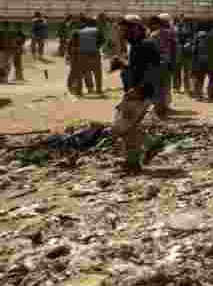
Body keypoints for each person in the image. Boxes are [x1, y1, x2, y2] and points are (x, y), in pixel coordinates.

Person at [109, 15, 162, 173]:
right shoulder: (137, 45)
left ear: (138, 28)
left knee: (121, 126)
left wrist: (139, 88)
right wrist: (123, 65)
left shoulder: (146, 45)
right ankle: (132, 162)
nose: (125, 32)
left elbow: (154, 70)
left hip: (140, 93)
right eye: (124, 29)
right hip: (135, 92)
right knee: (129, 127)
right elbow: (139, 68)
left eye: (129, 28)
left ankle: (151, 143)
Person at [191, 22, 213, 101]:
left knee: (199, 79)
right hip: (212, 61)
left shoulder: (198, 36)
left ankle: (199, 96)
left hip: (200, 61)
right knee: (212, 79)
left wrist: (194, 61)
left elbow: (194, 50)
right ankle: (211, 96)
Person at [71, 17, 103, 95]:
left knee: (81, 72)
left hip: (82, 54)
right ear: (95, 24)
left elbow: (74, 44)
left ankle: (79, 90)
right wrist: (95, 47)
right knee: (97, 72)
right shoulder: (98, 31)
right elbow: (101, 41)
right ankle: (98, 89)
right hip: (94, 53)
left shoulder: (77, 32)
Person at [174, 17, 195, 96]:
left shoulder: (188, 27)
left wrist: (189, 43)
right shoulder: (175, 27)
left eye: (182, 18)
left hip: (187, 53)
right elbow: (174, 38)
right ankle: (176, 87)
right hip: (178, 52)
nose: (181, 20)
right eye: (180, 18)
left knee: (187, 71)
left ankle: (187, 88)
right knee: (177, 71)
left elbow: (192, 37)